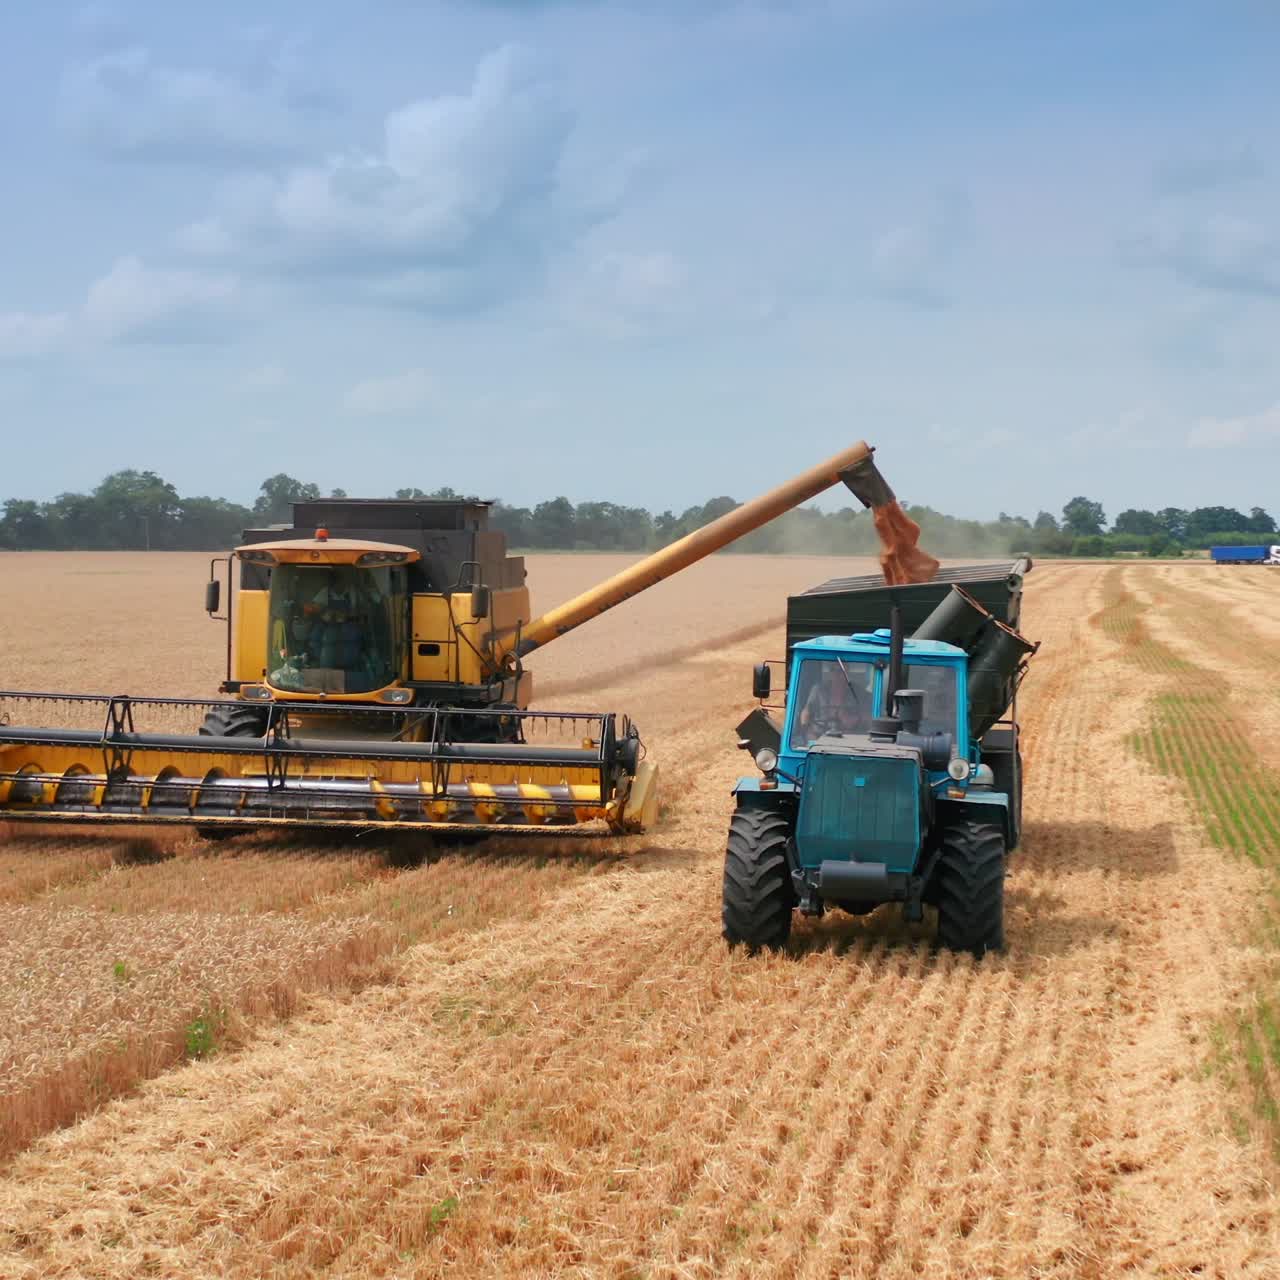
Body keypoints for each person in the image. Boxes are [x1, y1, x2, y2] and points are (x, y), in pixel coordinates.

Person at [795, 660, 867, 743]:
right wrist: (805, 729)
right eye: (835, 670)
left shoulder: (858, 693)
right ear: (830, 673)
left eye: (842, 672)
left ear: (847, 674)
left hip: (848, 739)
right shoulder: (818, 690)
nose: (838, 675)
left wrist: (854, 719)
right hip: (818, 736)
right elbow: (807, 711)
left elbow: (868, 717)